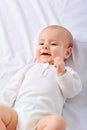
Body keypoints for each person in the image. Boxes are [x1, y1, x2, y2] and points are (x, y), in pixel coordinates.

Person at [0, 25, 82, 130]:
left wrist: (62, 72)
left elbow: (71, 91)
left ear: (67, 52)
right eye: (41, 43)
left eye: (53, 44)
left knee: (58, 121)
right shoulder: (29, 68)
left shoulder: (68, 73)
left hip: (42, 122)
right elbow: (11, 88)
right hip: (16, 120)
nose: (45, 46)